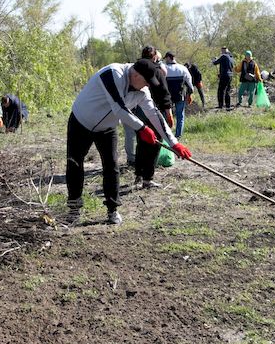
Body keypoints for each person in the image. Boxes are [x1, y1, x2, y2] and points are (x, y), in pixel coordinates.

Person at [65, 59, 191, 225]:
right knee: (75, 163)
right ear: (136, 75)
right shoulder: (112, 73)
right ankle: (74, 209)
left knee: (111, 166)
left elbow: (155, 115)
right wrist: (142, 128)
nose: (147, 86)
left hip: (107, 127)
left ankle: (112, 210)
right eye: (146, 81)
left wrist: (174, 143)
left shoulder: (142, 90)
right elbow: (119, 108)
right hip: (81, 121)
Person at [162, 52, 193, 139]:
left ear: (168, 58)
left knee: (166, 115)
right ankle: (178, 135)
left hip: (167, 97)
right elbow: (189, 84)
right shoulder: (183, 68)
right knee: (180, 116)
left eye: (166, 58)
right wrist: (189, 94)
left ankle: (167, 134)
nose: (165, 60)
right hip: (180, 96)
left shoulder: (164, 68)